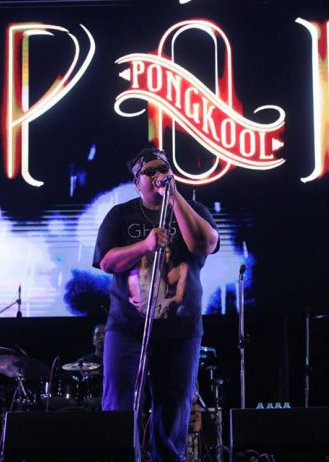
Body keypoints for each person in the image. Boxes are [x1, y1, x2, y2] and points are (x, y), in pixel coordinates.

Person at [93, 147, 219, 461]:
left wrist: (174, 198)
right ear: (137, 182)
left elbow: (205, 244)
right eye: (149, 172)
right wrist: (145, 245)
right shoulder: (120, 215)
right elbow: (107, 262)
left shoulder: (193, 210)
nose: (158, 175)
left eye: (163, 169)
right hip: (128, 329)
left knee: (173, 410)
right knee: (120, 407)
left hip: (180, 331)